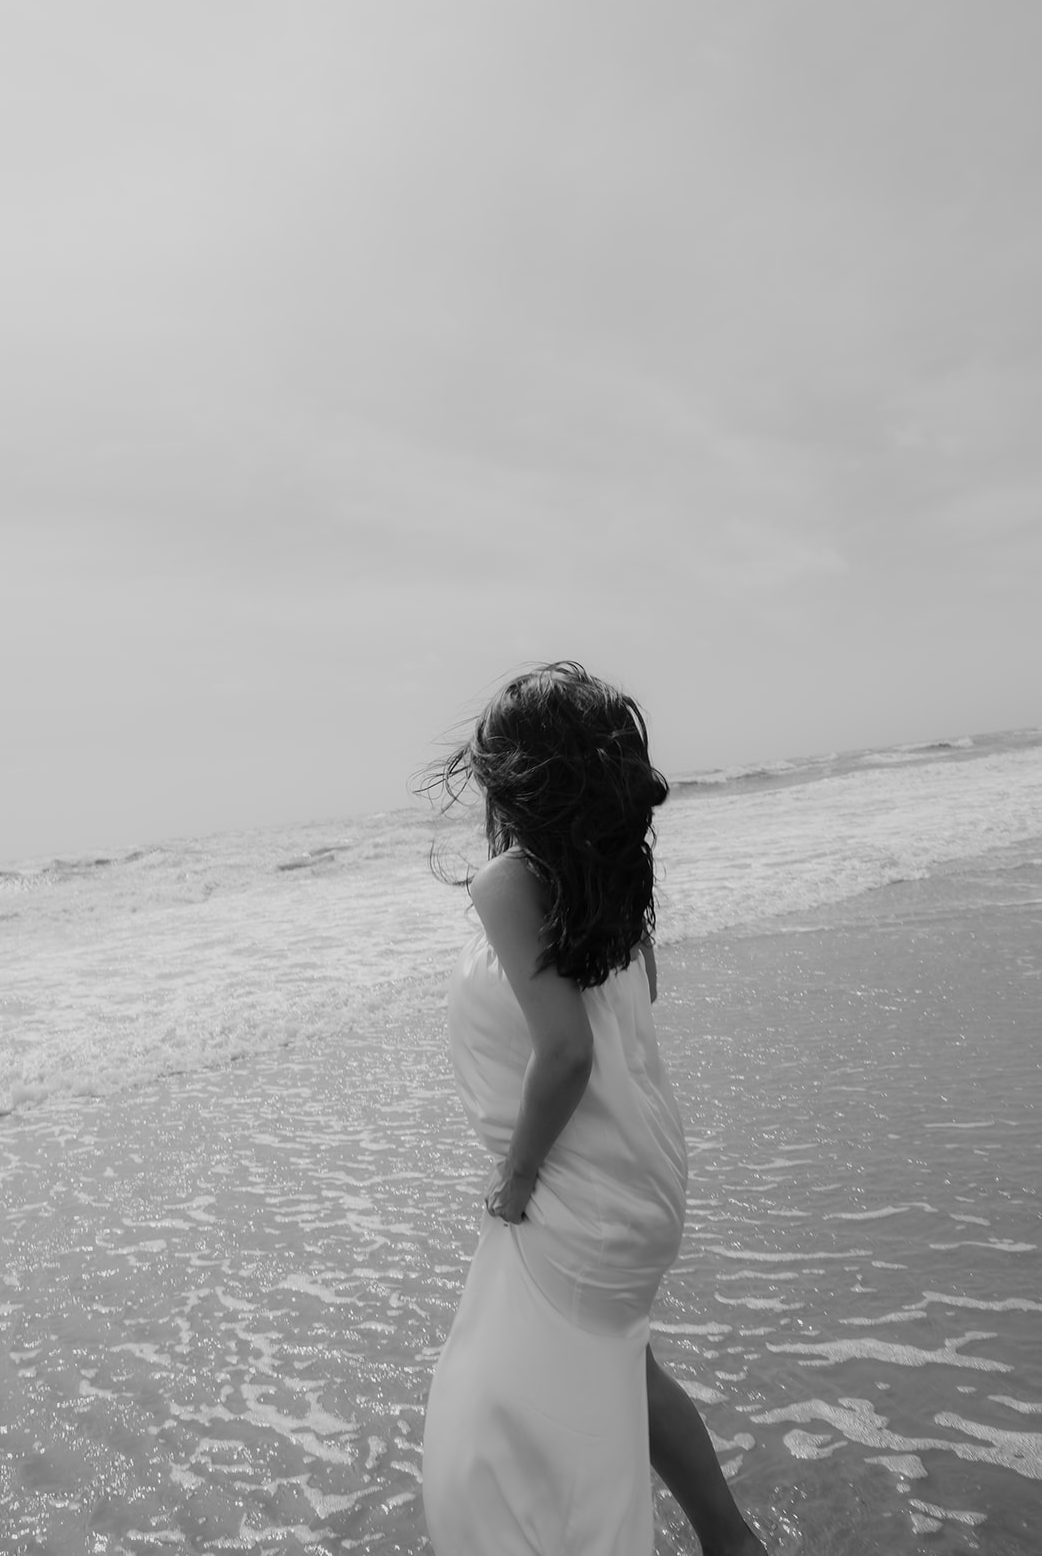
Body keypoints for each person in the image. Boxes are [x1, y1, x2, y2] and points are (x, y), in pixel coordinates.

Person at [421, 662, 766, 1556]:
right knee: (618, 1371)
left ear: (519, 776)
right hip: (638, 1174)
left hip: (575, 1184)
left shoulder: (507, 882)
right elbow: (626, 1011)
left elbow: (568, 1051)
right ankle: (731, 1542)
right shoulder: (613, 882)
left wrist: (518, 1174)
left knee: (489, 1422)